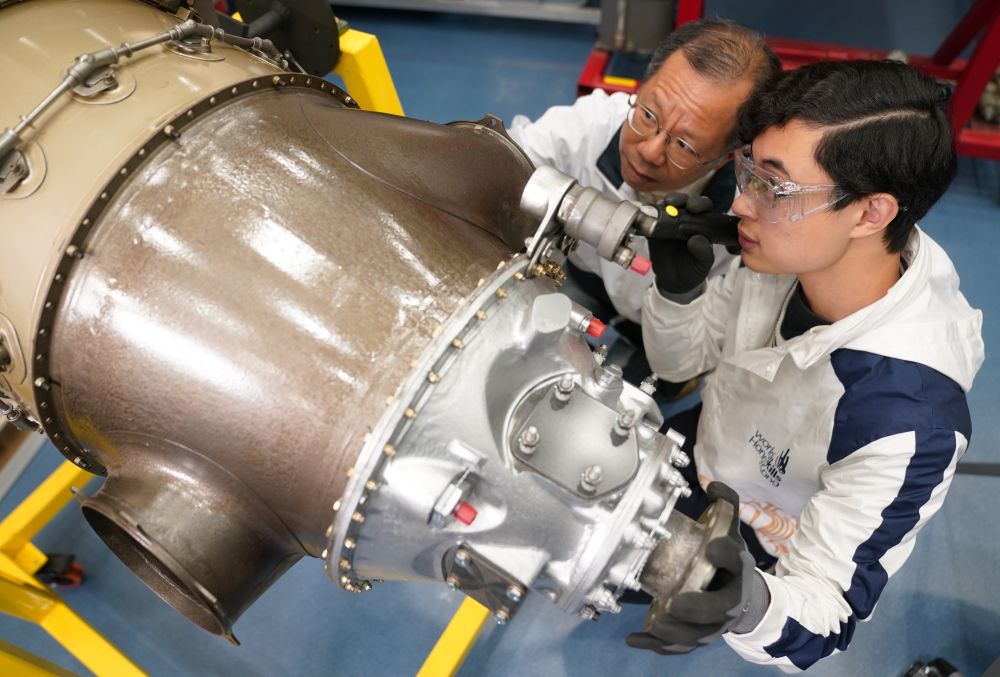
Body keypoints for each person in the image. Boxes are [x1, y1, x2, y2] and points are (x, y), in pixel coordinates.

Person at [629, 59, 984, 670]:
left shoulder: (905, 419)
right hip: (713, 444)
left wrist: (747, 603)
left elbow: (825, 614)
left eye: (774, 186)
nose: (741, 204)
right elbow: (679, 362)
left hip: (764, 531)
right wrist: (677, 293)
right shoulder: (792, 248)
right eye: (748, 170)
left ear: (870, 213)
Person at [508, 19, 781, 393]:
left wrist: (679, 297)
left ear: (725, 158)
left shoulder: (750, 217)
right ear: (639, 88)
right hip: (589, 279)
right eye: (649, 115)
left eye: (684, 145)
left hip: (682, 316)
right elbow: (500, 166)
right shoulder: (586, 127)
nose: (650, 152)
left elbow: (706, 339)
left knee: (654, 387)